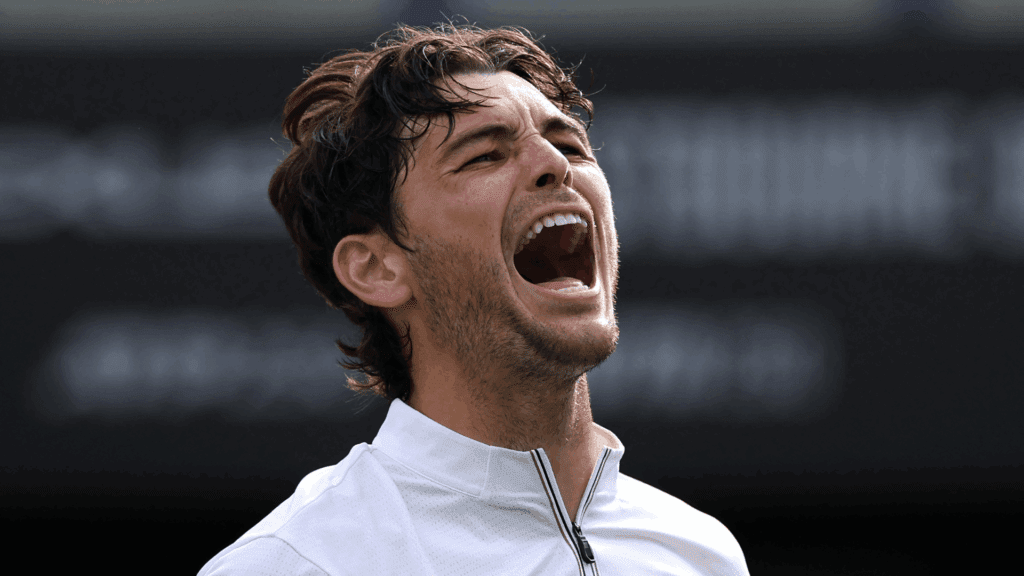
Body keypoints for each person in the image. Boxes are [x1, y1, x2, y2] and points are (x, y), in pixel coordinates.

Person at [198, 23, 750, 575]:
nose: (555, 165)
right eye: (485, 155)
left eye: (569, 145)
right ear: (376, 268)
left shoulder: (702, 553)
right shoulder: (297, 562)